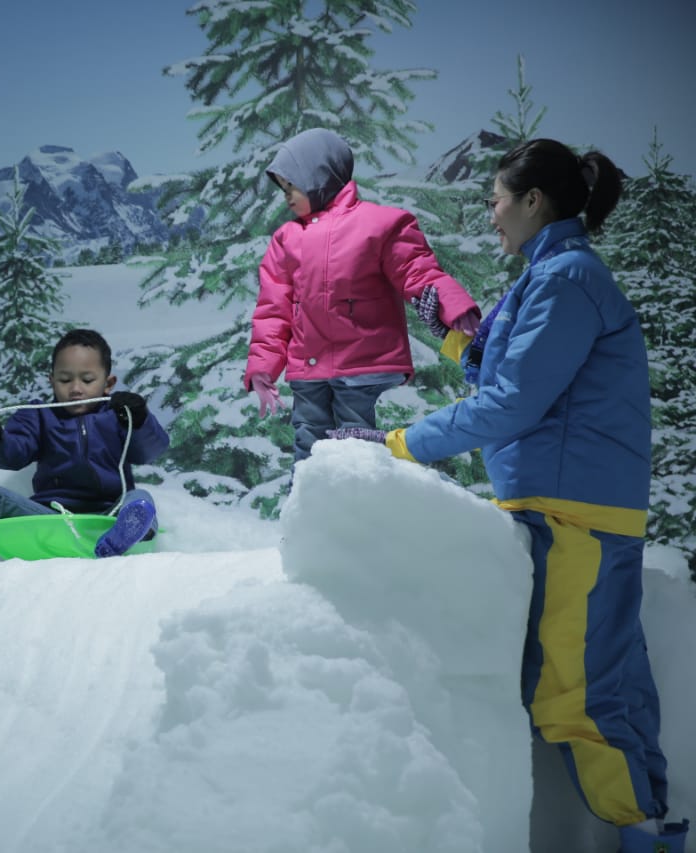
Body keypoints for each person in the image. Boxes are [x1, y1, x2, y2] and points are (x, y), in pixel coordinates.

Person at [330, 138, 688, 853]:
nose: (490, 213)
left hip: (575, 513)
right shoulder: (550, 275)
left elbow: (514, 403)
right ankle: (651, 824)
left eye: (496, 198)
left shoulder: (565, 280)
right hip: (571, 506)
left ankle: (643, 835)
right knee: (603, 683)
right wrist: (455, 338)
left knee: (575, 695)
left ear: (532, 200)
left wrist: (399, 443)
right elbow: (510, 375)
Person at [244, 127, 481, 465]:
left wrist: (451, 305)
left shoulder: (381, 225)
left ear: (319, 176)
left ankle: (362, 512)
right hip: (309, 368)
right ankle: (309, 514)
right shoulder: (286, 240)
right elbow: (273, 311)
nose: (287, 196)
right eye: (283, 188)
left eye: (292, 185)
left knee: (359, 447)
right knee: (308, 446)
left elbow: (419, 270)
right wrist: (262, 367)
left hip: (364, 365)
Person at [0, 328, 170, 564]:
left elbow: (150, 451)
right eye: (65, 380)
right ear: (51, 380)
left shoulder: (118, 415)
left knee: (140, 500)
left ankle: (125, 536)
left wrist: (140, 420)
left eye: (87, 380)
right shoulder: (38, 414)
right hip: (49, 514)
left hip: (108, 511)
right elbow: (13, 454)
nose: (76, 388)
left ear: (108, 383)